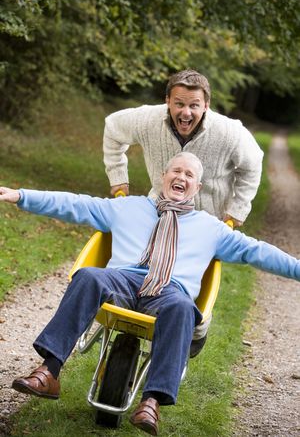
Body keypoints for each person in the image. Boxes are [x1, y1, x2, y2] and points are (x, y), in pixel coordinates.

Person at [1, 152, 299, 437]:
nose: (181, 177)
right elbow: (76, 204)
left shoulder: (212, 229)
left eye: (189, 174)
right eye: (176, 171)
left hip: (170, 291)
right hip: (124, 280)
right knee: (89, 275)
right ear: (163, 176)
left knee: (183, 307)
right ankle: (48, 372)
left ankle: (152, 402)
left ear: (198, 187)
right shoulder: (127, 207)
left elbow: (256, 251)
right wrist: (21, 196)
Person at [103, 69, 264, 356]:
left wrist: (235, 213)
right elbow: (113, 128)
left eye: (194, 105)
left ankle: (195, 330)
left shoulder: (229, 133)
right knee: (146, 267)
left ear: (206, 106)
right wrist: (119, 183)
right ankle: (133, 310)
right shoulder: (148, 120)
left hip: (208, 222)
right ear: (167, 101)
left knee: (195, 288)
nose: (186, 112)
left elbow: (252, 165)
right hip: (161, 211)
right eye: (179, 103)